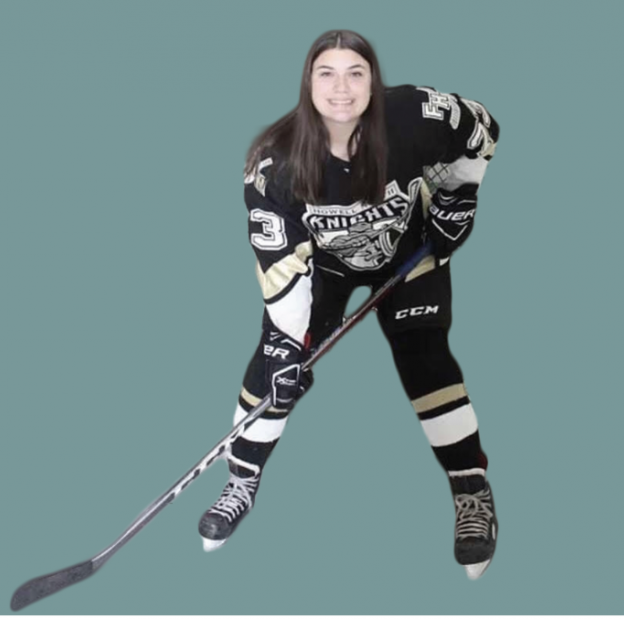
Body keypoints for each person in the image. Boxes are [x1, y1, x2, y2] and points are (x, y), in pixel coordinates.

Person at [197, 30, 501, 580]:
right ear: (307, 84)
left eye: (355, 73)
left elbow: (483, 130)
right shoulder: (274, 166)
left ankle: (469, 485)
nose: (342, 88)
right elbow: (282, 267)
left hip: (409, 252)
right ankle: (241, 476)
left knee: (426, 358)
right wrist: (289, 348)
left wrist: (460, 195)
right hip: (324, 271)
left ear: (374, 80)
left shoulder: (418, 116)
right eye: (327, 74)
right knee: (273, 367)